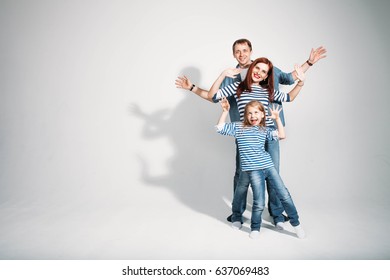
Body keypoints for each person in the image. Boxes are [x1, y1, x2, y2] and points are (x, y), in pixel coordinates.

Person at [175, 39, 326, 225]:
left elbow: (290, 79)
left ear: (251, 51)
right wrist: (192, 87)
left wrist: (309, 63)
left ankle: (277, 214)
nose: (241, 54)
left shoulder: (265, 69)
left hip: (270, 129)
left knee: (273, 172)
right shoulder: (233, 77)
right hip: (245, 132)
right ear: (233, 54)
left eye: (245, 50)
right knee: (242, 173)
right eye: (237, 51)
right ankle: (237, 214)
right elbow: (212, 96)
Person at [216, 98, 305, 239]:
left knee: (284, 195)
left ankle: (297, 224)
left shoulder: (265, 129)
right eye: (250, 113)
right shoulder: (238, 127)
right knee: (259, 201)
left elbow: (282, 135)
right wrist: (225, 111)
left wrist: (277, 119)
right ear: (245, 115)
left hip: (268, 166)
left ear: (263, 115)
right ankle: (255, 228)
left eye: (256, 112)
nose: (253, 116)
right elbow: (220, 128)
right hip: (254, 170)